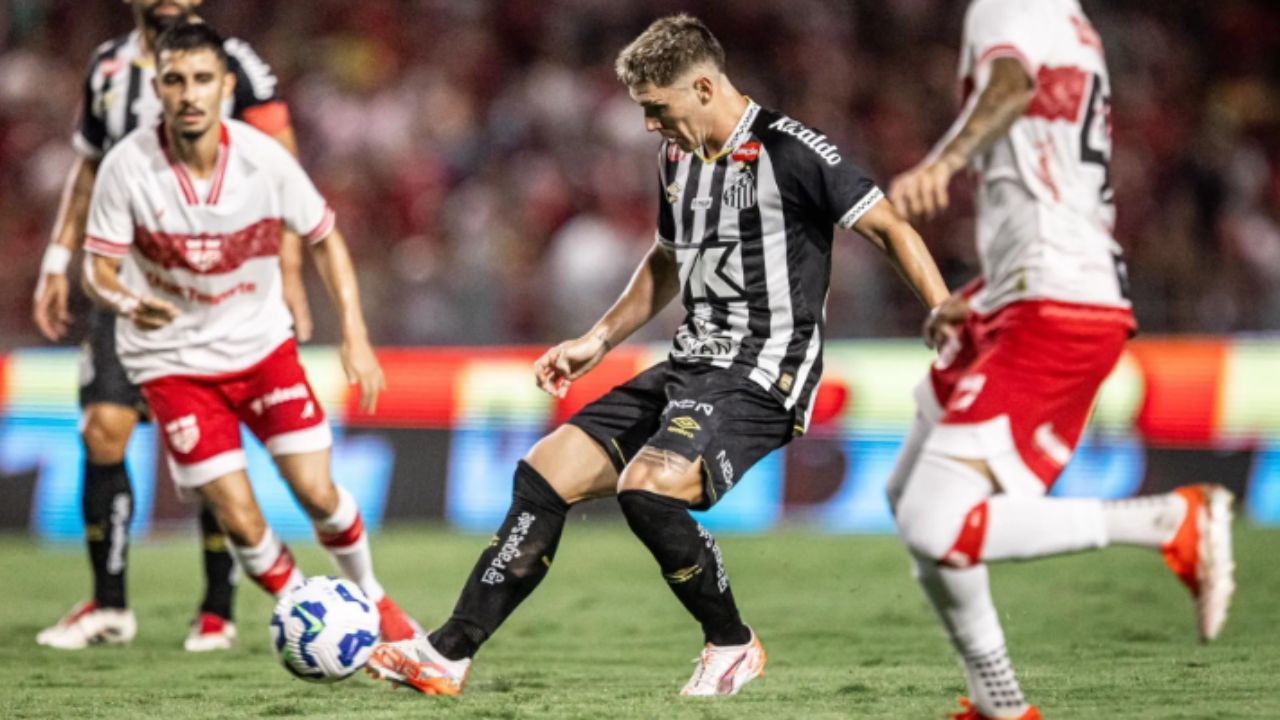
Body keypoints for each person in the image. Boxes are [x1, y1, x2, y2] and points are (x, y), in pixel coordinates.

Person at [363, 14, 950, 698]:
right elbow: (666, 262)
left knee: (649, 487)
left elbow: (890, 227)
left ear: (703, 87)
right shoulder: (677, 156)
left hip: (762, 374)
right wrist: (596, 340)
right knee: (547, 470)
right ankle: (448, 654)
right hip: (690, 367)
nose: (648, 125)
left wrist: (943, 313)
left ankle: (731, 644)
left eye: (656, 108)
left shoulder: (791, 151)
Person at [884, 1, 1235, 718]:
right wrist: (982, 294)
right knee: (905, 492)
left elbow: (1012, 86)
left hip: (1056, 296)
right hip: (1028, 285)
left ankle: (1169, 521)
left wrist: (942, 163)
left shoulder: (1007, 7)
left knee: (933, 523)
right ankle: (999, 703)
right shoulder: (1070, 22)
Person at [78, 21, 417, 645]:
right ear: (158, 88)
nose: (189, 94)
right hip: (172, 362)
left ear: (226, 87)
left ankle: (375, 600)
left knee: (317, 493)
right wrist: (126, 299)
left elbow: (325, 238)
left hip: (261, 349)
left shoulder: (265, 160)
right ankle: (315, 622)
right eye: (175, 80)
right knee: (238, 516)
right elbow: (97, 269)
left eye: (202, 79)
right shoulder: (126, 168)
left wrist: (355, 334)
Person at [33, 0, 313, 652]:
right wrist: (56, 258)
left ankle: (217, 606)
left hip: (216, 287)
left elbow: (283, 166)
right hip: (128, 281)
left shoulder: (235, 64)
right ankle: (109, 606)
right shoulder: (108, 67)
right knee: (102, 428)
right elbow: (89, 167)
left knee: (212, 443)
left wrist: (291, 270)